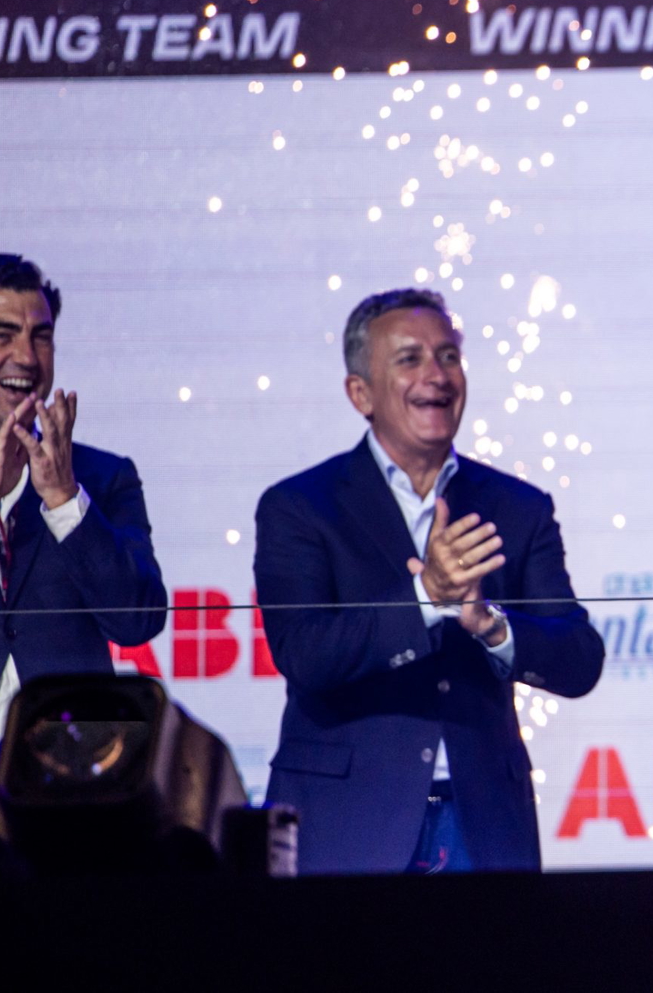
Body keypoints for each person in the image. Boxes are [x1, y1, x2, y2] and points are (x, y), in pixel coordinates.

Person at [253, 288, 604, 875]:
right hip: (348, 819)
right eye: (410, 359)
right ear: (360, 392)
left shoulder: (516, 507)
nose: (436, 376)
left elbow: (579, 658)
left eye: (448, 356)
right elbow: (305, 653)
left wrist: (493, 628)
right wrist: (426, 599)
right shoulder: (301, 507)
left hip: (483, 820)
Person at [0, 254, 166, 880]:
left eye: (40, 335)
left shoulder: (103, 478)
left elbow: (137, 618)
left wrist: (64, 499)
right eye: (1, 334)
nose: (26, 355)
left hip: (72, 799)